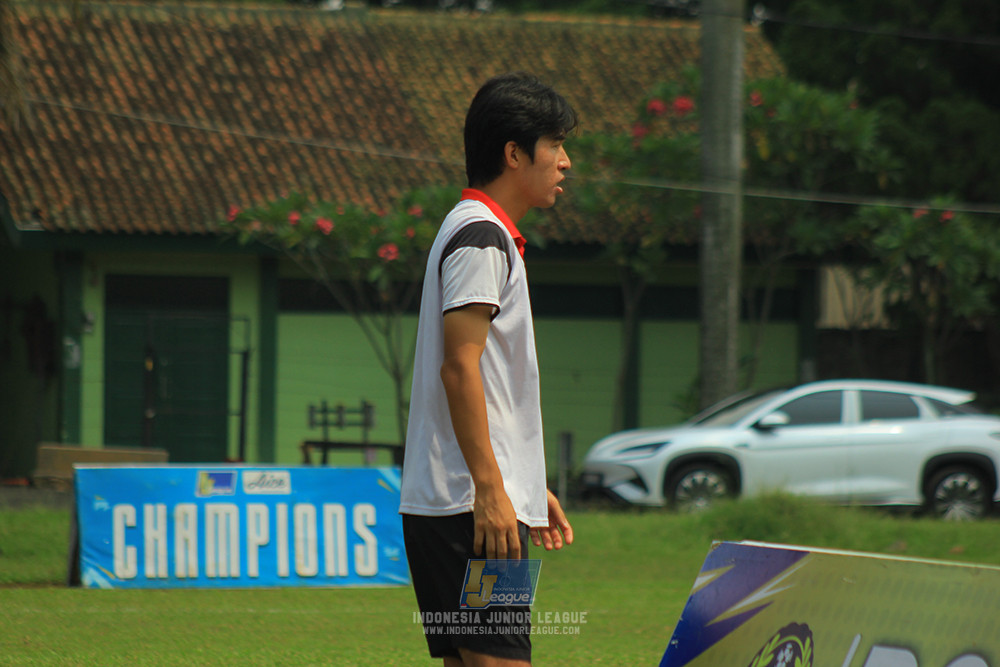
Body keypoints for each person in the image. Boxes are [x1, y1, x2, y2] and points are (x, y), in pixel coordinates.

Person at [399, 72, 578, 666]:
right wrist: (493, 490)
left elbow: (482, 376)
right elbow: (460, 368)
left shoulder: (475, 229)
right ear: (513, 153)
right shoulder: (481, 236)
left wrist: (525, 480)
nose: (566, 161)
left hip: (459, 501)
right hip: (471, 510)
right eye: (555, 145)